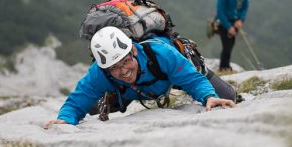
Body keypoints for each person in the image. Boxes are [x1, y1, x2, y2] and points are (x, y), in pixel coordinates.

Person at [44, 27, 235, 128]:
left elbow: (192, 80)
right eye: (114, 68)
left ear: (134, 49)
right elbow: (78, 98)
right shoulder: (100, 72)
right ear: (105, 68)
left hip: (169, 76)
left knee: (227, 97)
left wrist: (208, 96)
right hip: (128, 92)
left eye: (126, 61)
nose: (124, 71)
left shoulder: (161, 53)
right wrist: (66, 119)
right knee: (92, 109)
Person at [216, 0, 251, 72]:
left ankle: (226, 66)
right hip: (223, 22)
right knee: (227, 46)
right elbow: (220, 11)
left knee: (231, 45)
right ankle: (223, 67)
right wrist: (228, 26)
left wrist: (241, 19)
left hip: (235, 22)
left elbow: (245, 6)